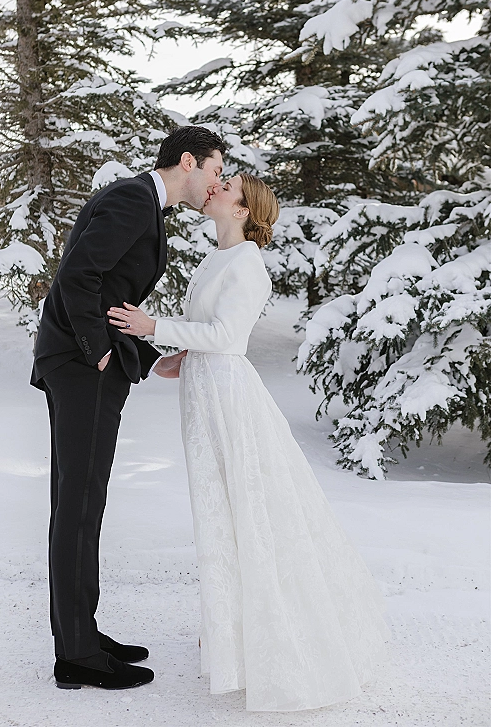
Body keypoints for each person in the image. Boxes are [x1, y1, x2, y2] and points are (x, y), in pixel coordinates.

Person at [108, 173, 390, 711]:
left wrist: (152, 327)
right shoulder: (215, 258)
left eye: (228, 186)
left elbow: (228, 339)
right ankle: (232, 636)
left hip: (228, 398)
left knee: (247, 510)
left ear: (242, 210)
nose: (213, 187)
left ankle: (275, 641)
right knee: (219, 514)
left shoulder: (248, 264)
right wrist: (180, 356)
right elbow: (208, 333)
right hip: (204, 389)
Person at [31, 126, 225, 691]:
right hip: (80, 366)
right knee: (80, 504)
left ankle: (79, 635)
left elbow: (107, 288)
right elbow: (77, 274)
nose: (216, 182)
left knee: (77, 502)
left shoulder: (139, 200)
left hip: (77, 361)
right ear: (187, 161)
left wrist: (144, 351)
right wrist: (96, 352)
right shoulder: (133, 199)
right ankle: (77, 656)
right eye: (215, 169)